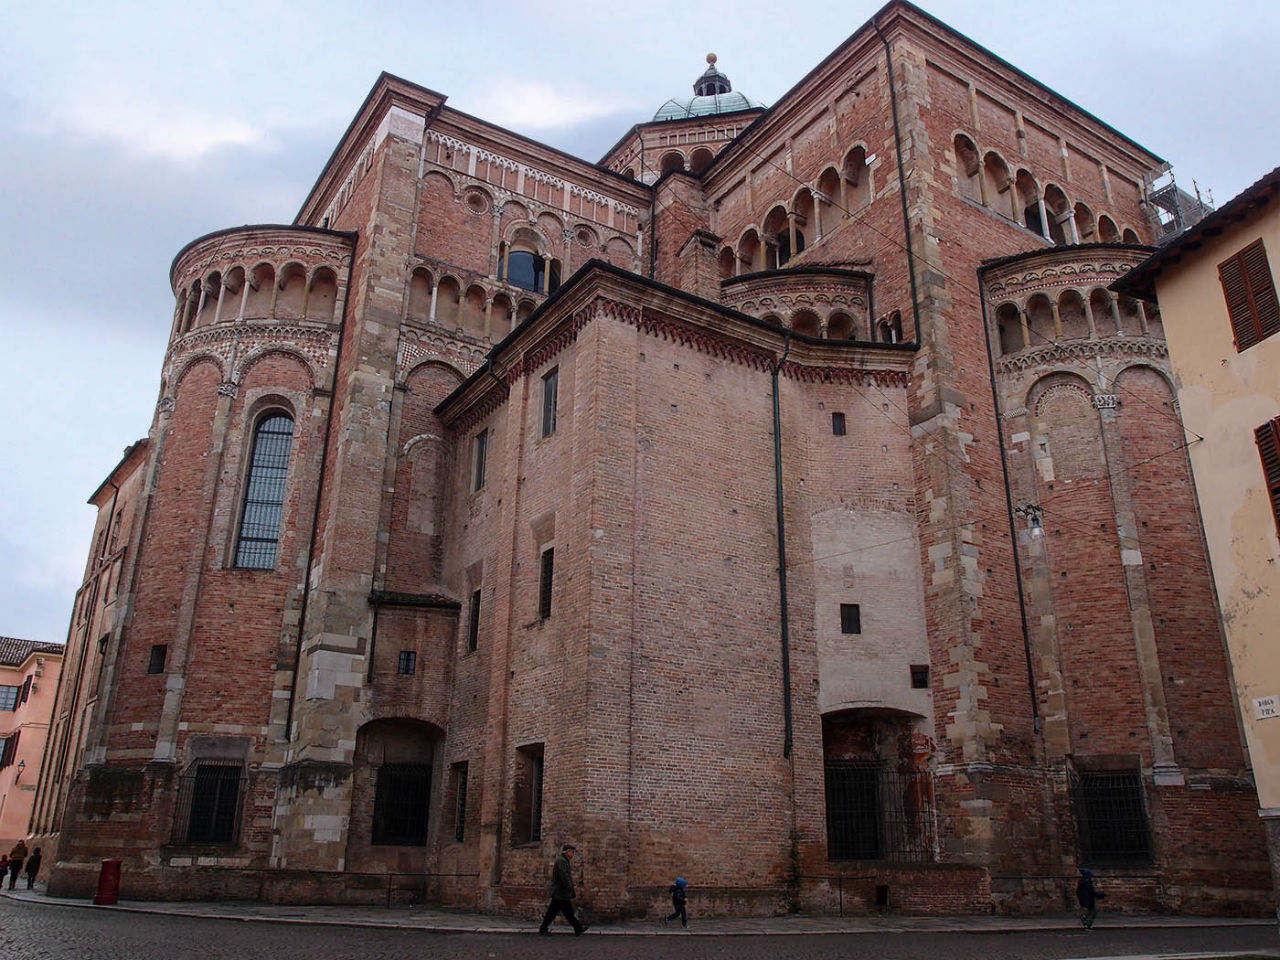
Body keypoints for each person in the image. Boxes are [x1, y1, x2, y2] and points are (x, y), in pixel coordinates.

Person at [538, 843, 588, 936]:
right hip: (560, 892)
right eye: (572, 852)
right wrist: (570, 887)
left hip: (561, 892)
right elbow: (564, 876)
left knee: (565, 912)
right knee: (556, 912)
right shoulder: (561, 861)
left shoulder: (564, 861)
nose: (573, 854)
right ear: (567, 852)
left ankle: (578, 928)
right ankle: (543, 929)